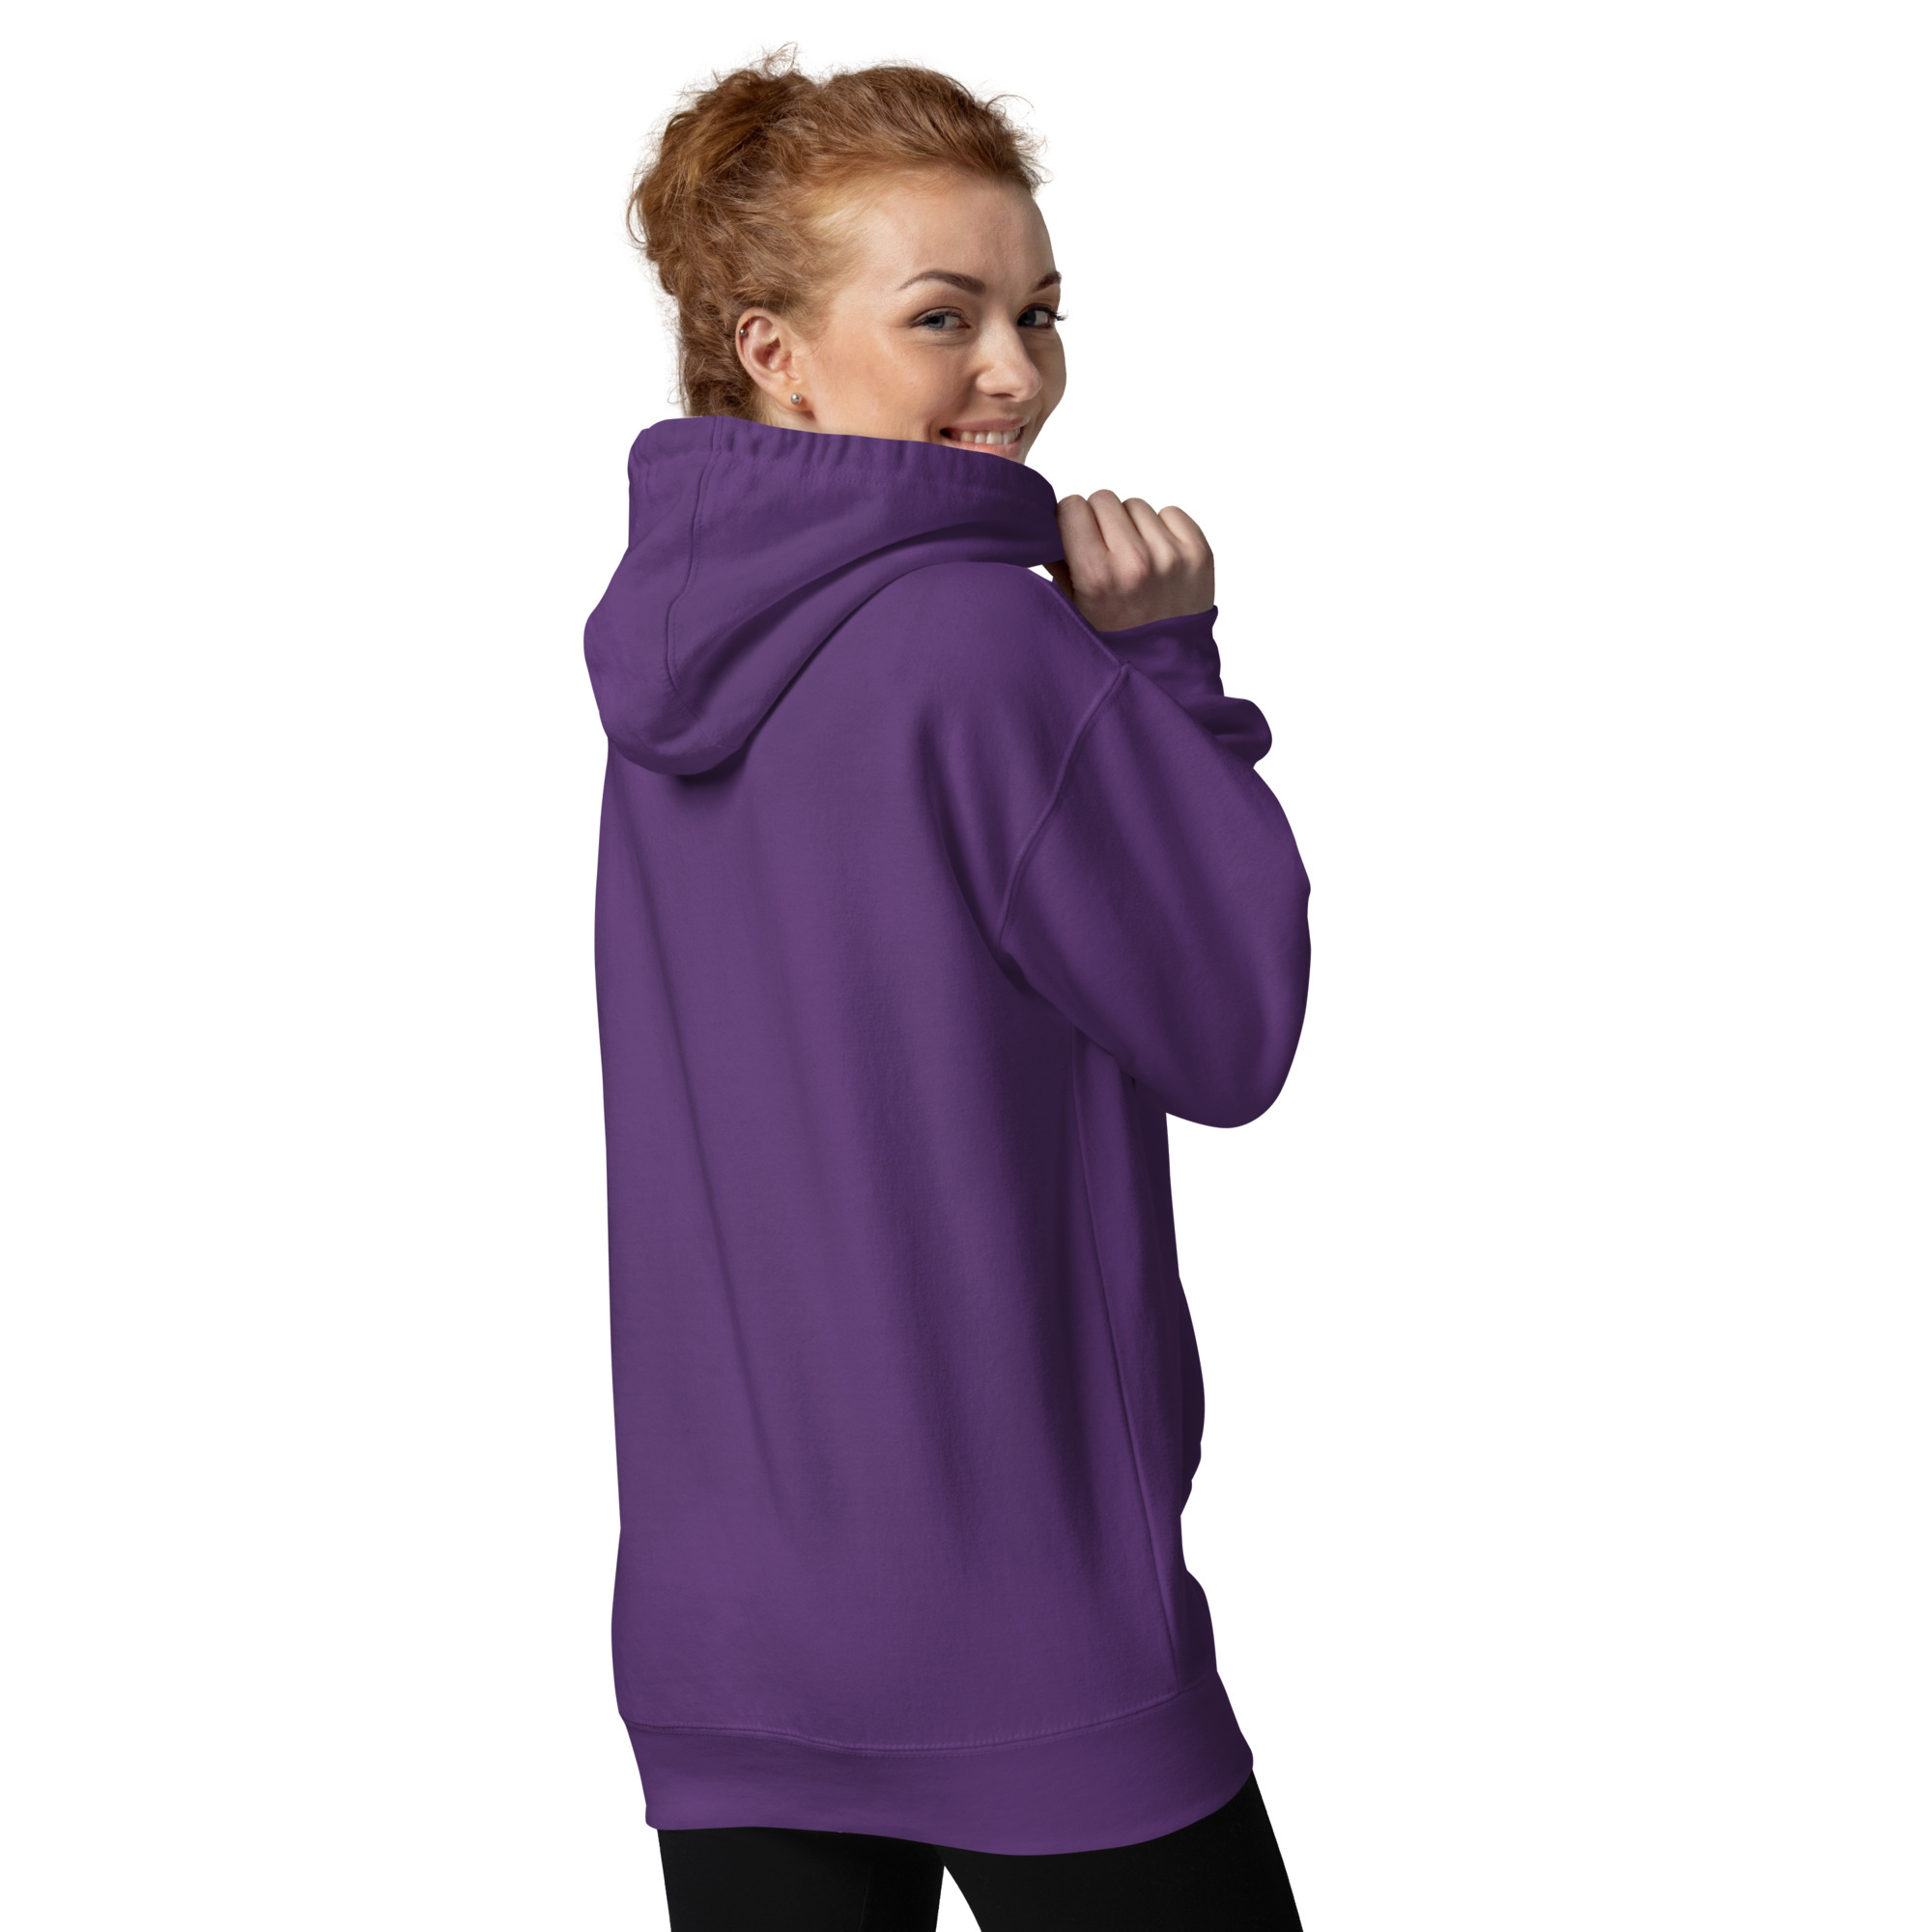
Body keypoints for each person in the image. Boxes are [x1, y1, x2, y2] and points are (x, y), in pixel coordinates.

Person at [583, 50, 1314, 1930]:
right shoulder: (992, 646)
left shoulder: (666, 671)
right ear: (771, 350)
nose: (1016, 372)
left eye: (1037, 313)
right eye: (943, 317)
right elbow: (1229, 1026)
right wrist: (1165, 674)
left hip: (727, 1619)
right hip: (1018, 1617)